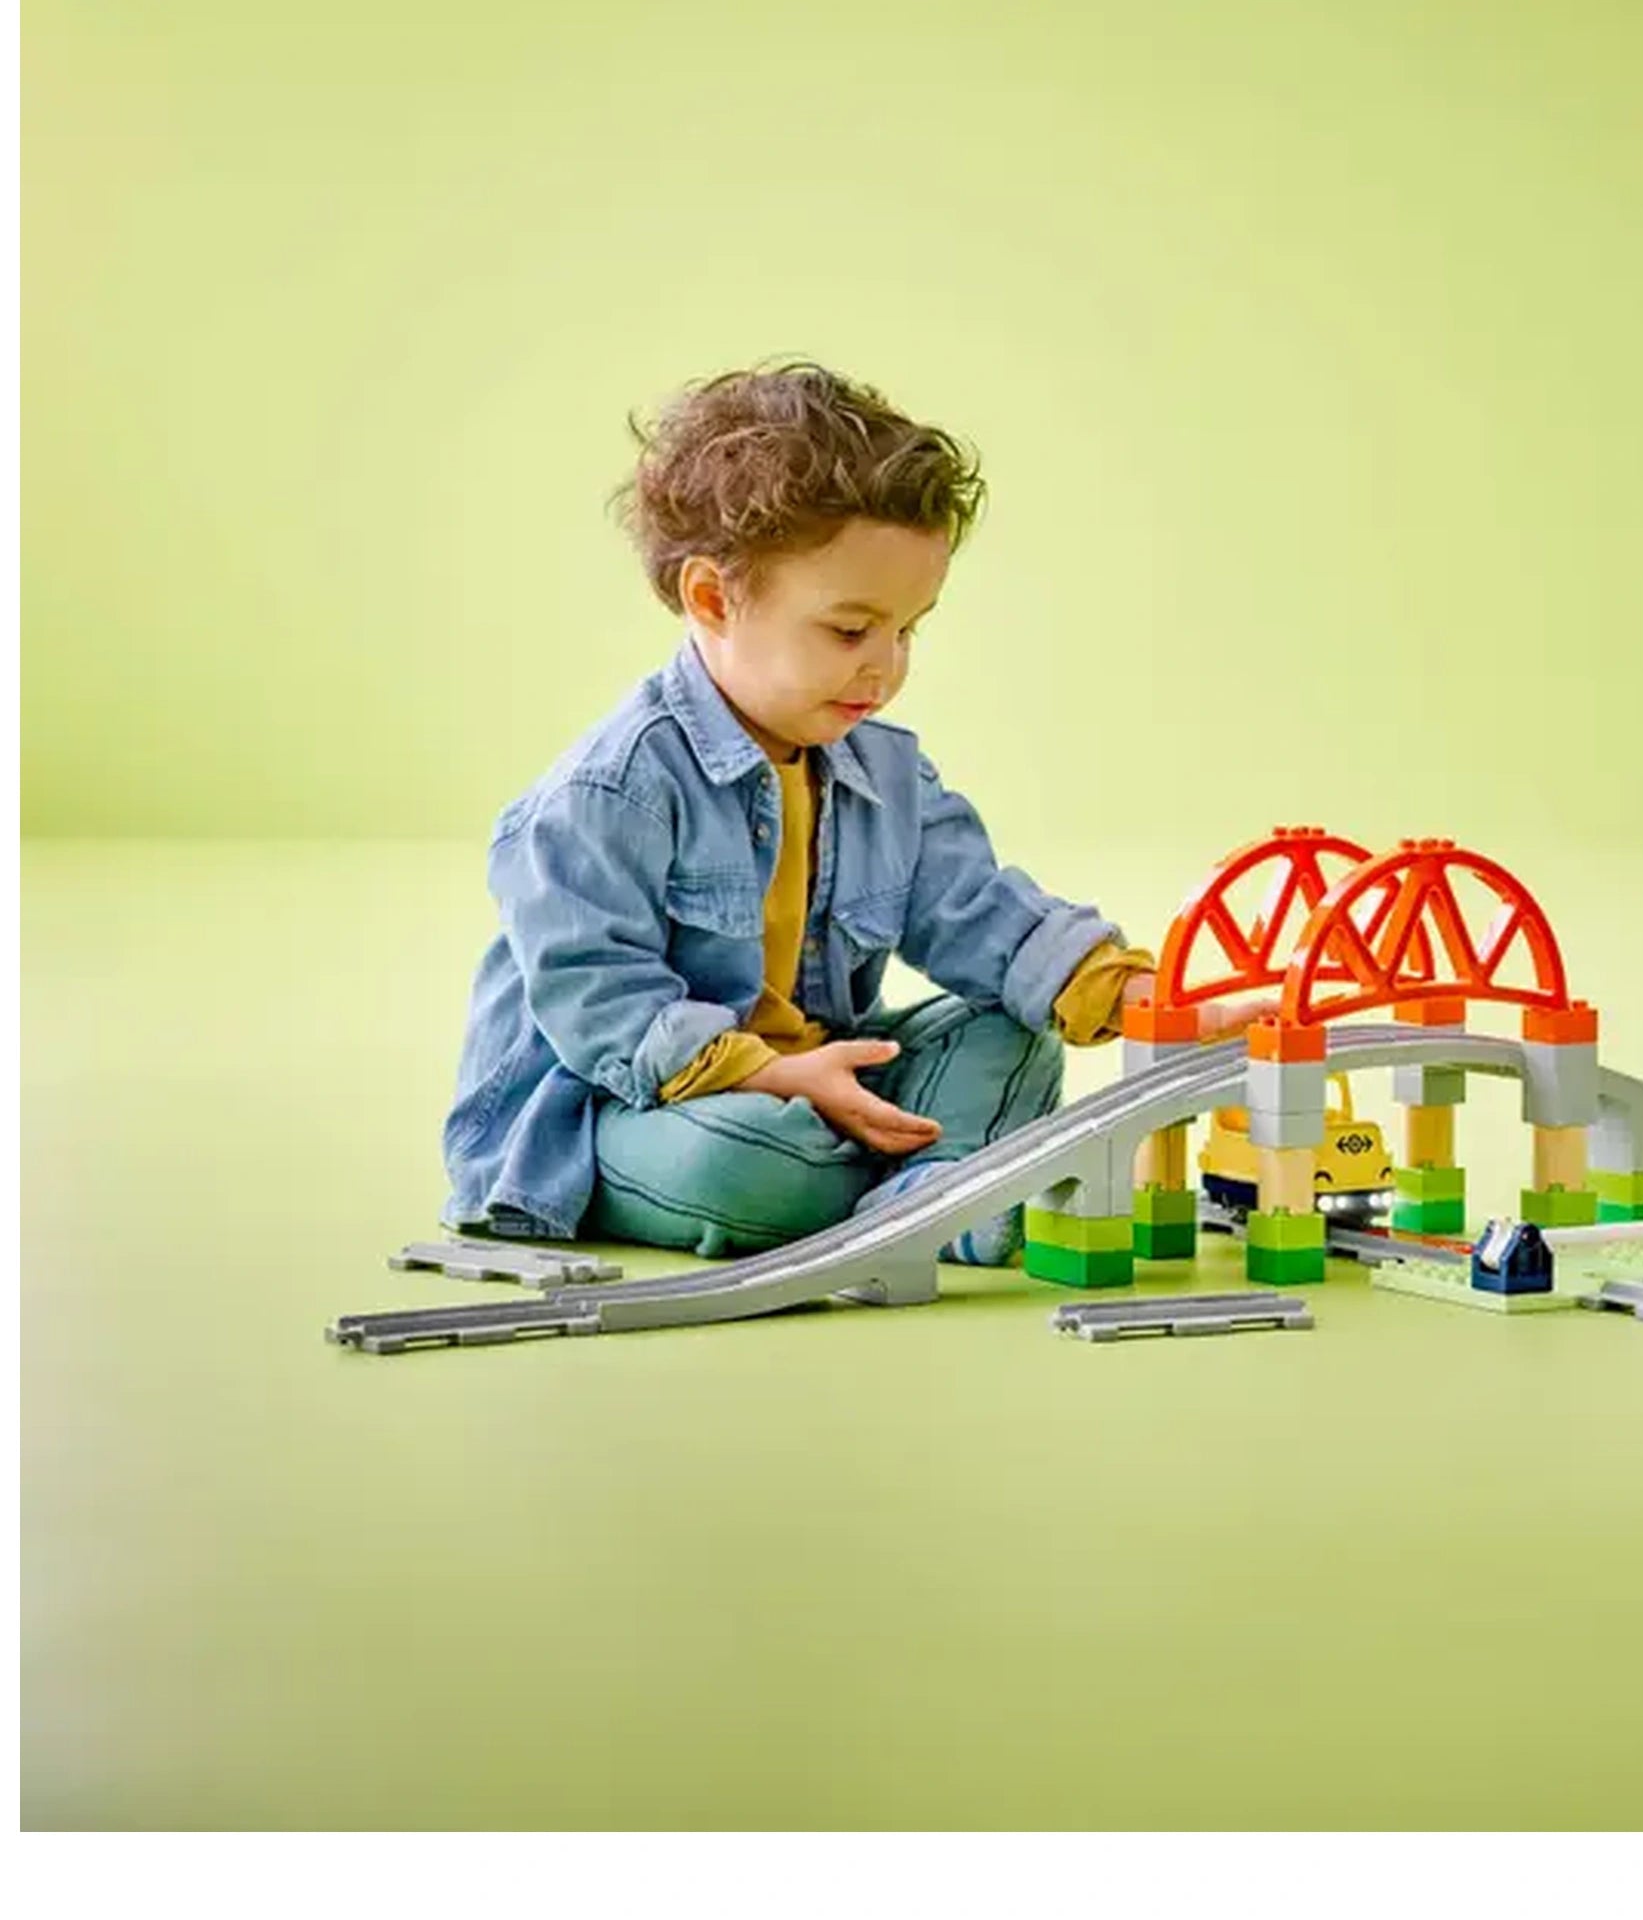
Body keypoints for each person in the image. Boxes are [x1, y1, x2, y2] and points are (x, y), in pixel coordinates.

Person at [439, 360, 1265, 1266]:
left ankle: (929, 1200)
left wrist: (1135, 996)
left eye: (908, 630)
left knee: (1014, 1031)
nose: (886, 667)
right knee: (752, 1163)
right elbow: (597, 998)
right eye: (849, 631)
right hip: (647, 1107)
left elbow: (979, 912)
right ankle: (936, 1184)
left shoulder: (886, 773)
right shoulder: (610, 789)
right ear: (713, 599)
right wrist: (777, 1075)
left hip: (827, 1079)